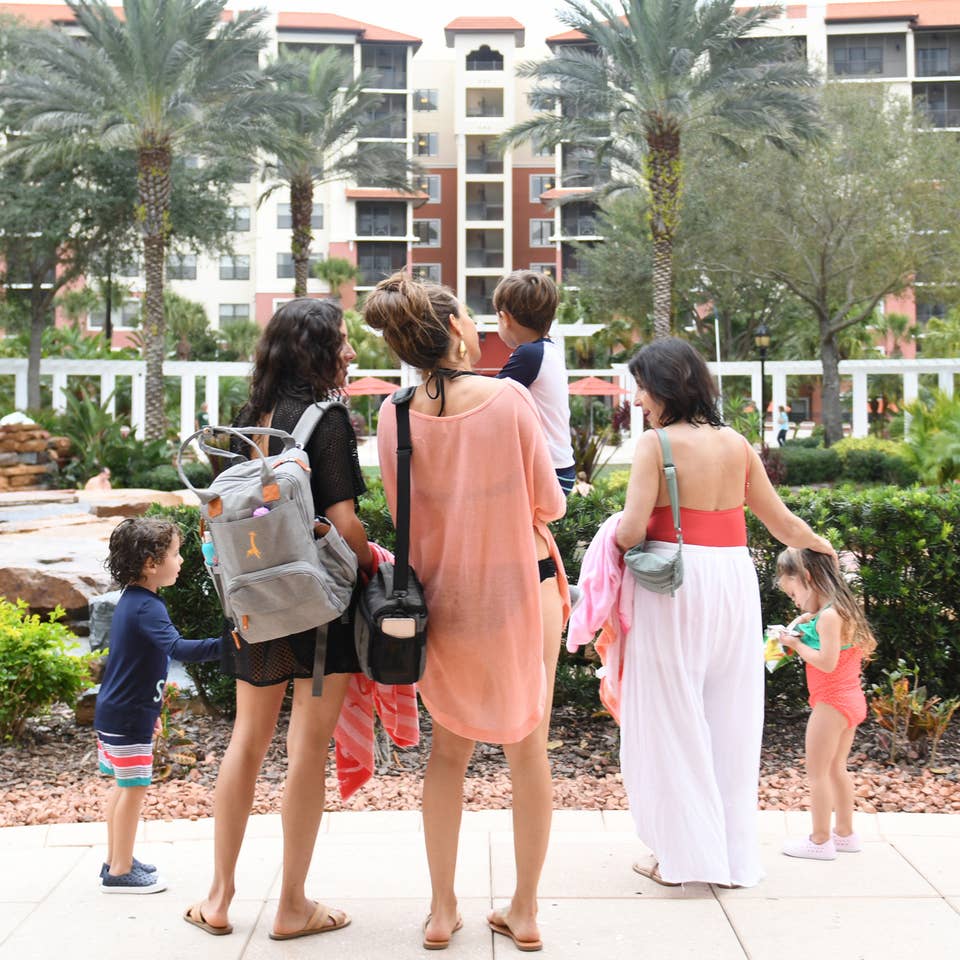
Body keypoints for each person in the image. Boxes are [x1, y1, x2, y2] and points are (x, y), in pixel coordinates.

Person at [364, 273, 568, 952]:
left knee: (448, 753)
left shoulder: (393, 413)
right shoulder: (509, 400)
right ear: (454, 329)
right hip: (520, 593)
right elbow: (551, 503)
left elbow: (402, 517)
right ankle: (526, 910)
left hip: (443, 604)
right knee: (527, 749)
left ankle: (442, 912)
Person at [614, 338, 836, 888]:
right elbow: (784, 525)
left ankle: (682, 855)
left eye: (642, 385)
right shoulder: (736, 444)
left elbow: (632, 530)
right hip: (732, 579)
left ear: (664, 386)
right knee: (730, 713)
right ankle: (731, 858)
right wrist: (826, 548)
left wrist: (606, 541)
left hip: (674, 579)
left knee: (672, 714)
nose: (637, 397)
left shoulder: (655, 445)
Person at [186, 298, 373, 939]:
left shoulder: (250, 419)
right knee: (306, 750)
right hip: (316, 608)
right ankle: (293, 904)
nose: (350, 353)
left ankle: (218, 897)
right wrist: (378, 562)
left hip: (254, 605)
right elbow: (344, 524)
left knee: (246, 742)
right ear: (317, 350)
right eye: (343, 343)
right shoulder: (327, 420)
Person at [96, 517, 222, 893]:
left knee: (122, 787)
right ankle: (120, 872)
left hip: (118, 711)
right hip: (128, 714)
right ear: (152, 562)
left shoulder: (134, 601)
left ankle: (115, 860)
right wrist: (230, 645)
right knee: (133, 788)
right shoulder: (146, 608)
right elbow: (179, 648)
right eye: (175, 553)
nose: (181, 560)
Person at [776, 547, 876, 860]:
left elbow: (827, 662)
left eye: (794, 594)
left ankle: (819, 840)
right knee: (836, 768)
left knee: (817, 773)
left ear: (807, 578)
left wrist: (794, 644)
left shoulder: (829, 617)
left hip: (831, 702)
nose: (794, 601)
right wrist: (805, 623)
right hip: (850, 701)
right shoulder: (836, 611)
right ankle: (845, 834)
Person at [493, 270, 576, 496]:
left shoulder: (529, 354)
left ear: (505, 318)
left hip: (546, 469)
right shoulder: (549, 349)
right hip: (560, 467)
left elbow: (489, 397)